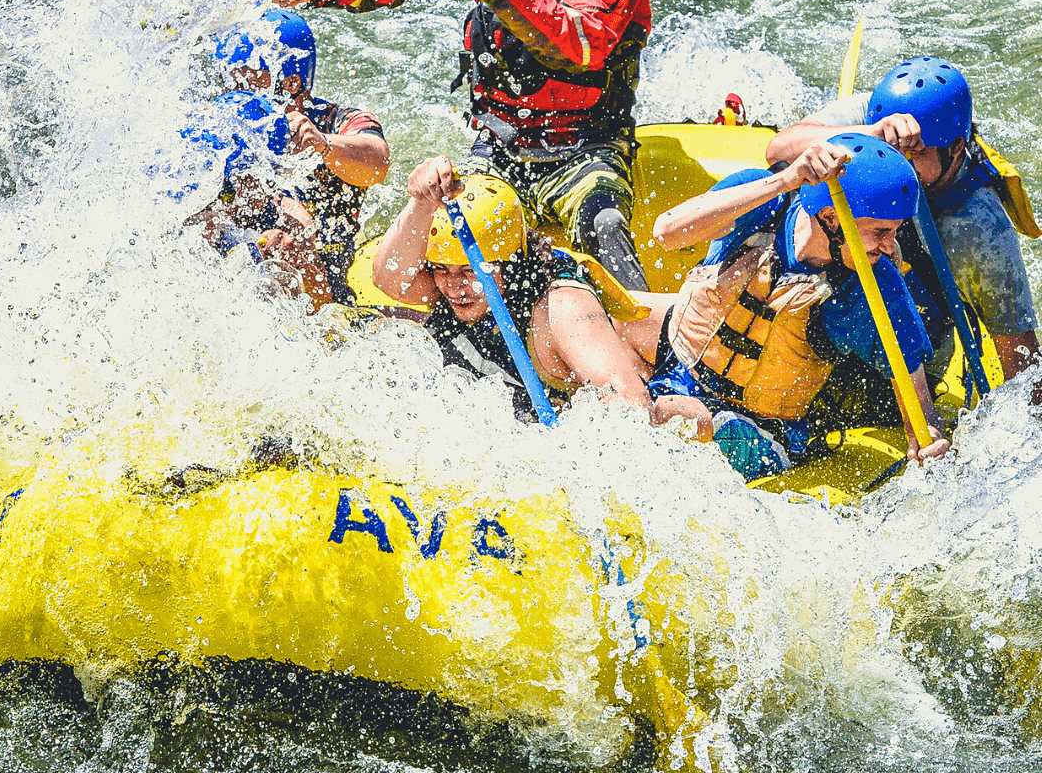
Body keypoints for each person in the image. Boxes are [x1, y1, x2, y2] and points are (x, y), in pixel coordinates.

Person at [273, 0, 652, 291]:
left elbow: (579, 46)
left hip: (584, 148)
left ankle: (645, 339)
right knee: (448, 243)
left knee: (605, 224)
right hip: (499, 148)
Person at [616, 133, 950, 481]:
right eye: (880, 231)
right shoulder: (763, 204)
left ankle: (641, 404)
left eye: (895, 231)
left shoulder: (875, 289)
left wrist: (930, 440)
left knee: (671, 413)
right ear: (831, 218)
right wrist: (786, 178)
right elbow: (666, 232)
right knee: (593, 314)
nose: (890, 246)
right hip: (683, 364)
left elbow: (920, 408)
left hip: (761, 425)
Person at [767, 56, 1041, 393]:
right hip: (836, 293)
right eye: (888, 148)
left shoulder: (981, 230)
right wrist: (869, 135)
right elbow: (777, 149)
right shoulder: (879, 117)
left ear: (955, 149)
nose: (892, 161)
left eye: (912, 153)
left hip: (911, 351)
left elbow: (1021, 359)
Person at [372, 157, 653, 420]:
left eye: (470, 270)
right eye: (441, 269)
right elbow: (389, 279)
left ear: (512, 265)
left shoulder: (559, 309)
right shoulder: (452, 286)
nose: (454, 286)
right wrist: (421, 203)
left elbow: (631, 406)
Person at [186, 8, 391, 307]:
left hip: (324, 277)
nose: (233, 94)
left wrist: (324, 145)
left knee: (280, 243)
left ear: (291, 83)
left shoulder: (335, 121)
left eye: (245, 84)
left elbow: (378, 164)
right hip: (238, 263)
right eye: (229, 83)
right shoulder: (220, 126)